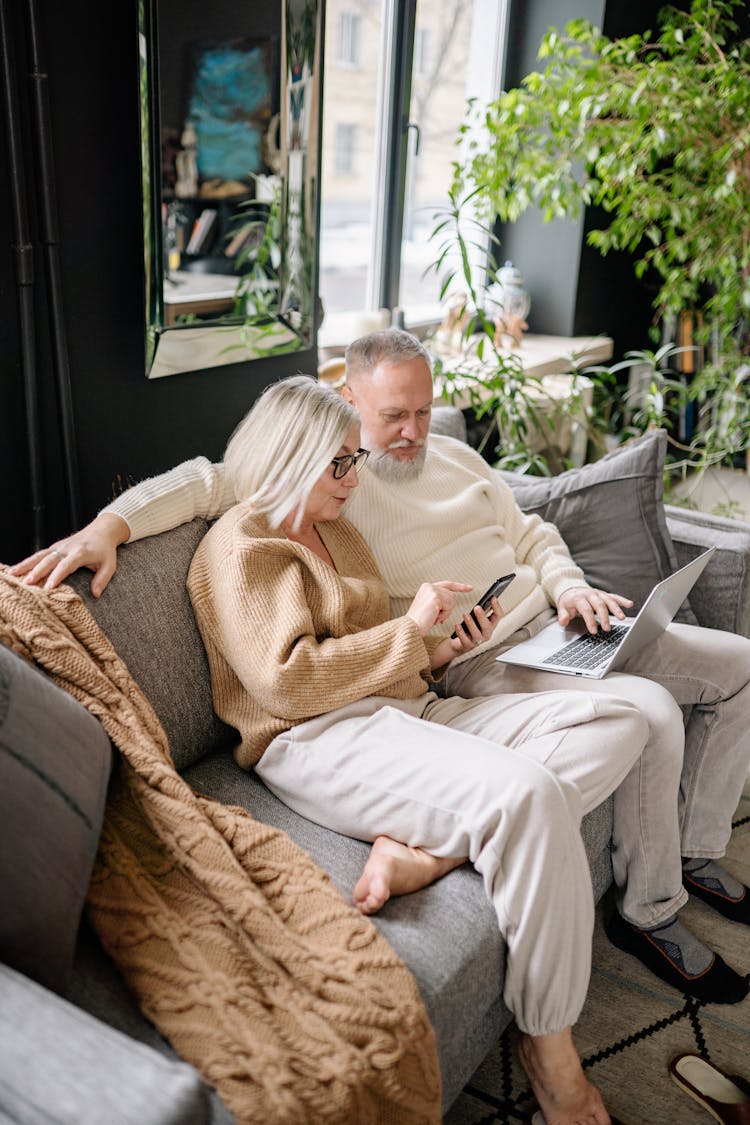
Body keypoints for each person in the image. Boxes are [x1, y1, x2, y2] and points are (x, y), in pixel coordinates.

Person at [12, 328, 750, 1006]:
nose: (413, 433)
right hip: (469, 663)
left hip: (535, 624)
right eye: (393, 416)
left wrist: (568, 587)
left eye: (426, 412)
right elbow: (218, 485)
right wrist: (109, 526)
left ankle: (528, 844)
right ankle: (618, 912)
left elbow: (530, 529)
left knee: (715, 675)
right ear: (347, 403)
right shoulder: (314, 498)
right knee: (644, 714)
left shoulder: (428, 464)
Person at [185, 373, 651, 1125]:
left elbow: (379, 655)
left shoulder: (338, 530)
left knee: (622, 720)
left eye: (352, 459)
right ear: (294, 455)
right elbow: (286, 681)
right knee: (525, 794)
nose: (353, 475)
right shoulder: (239, 546)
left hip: (405, 708)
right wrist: (410, 632)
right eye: (341, 461)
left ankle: (429, 851)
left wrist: (435, 650)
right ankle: (549, 1052)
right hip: (316, 737)